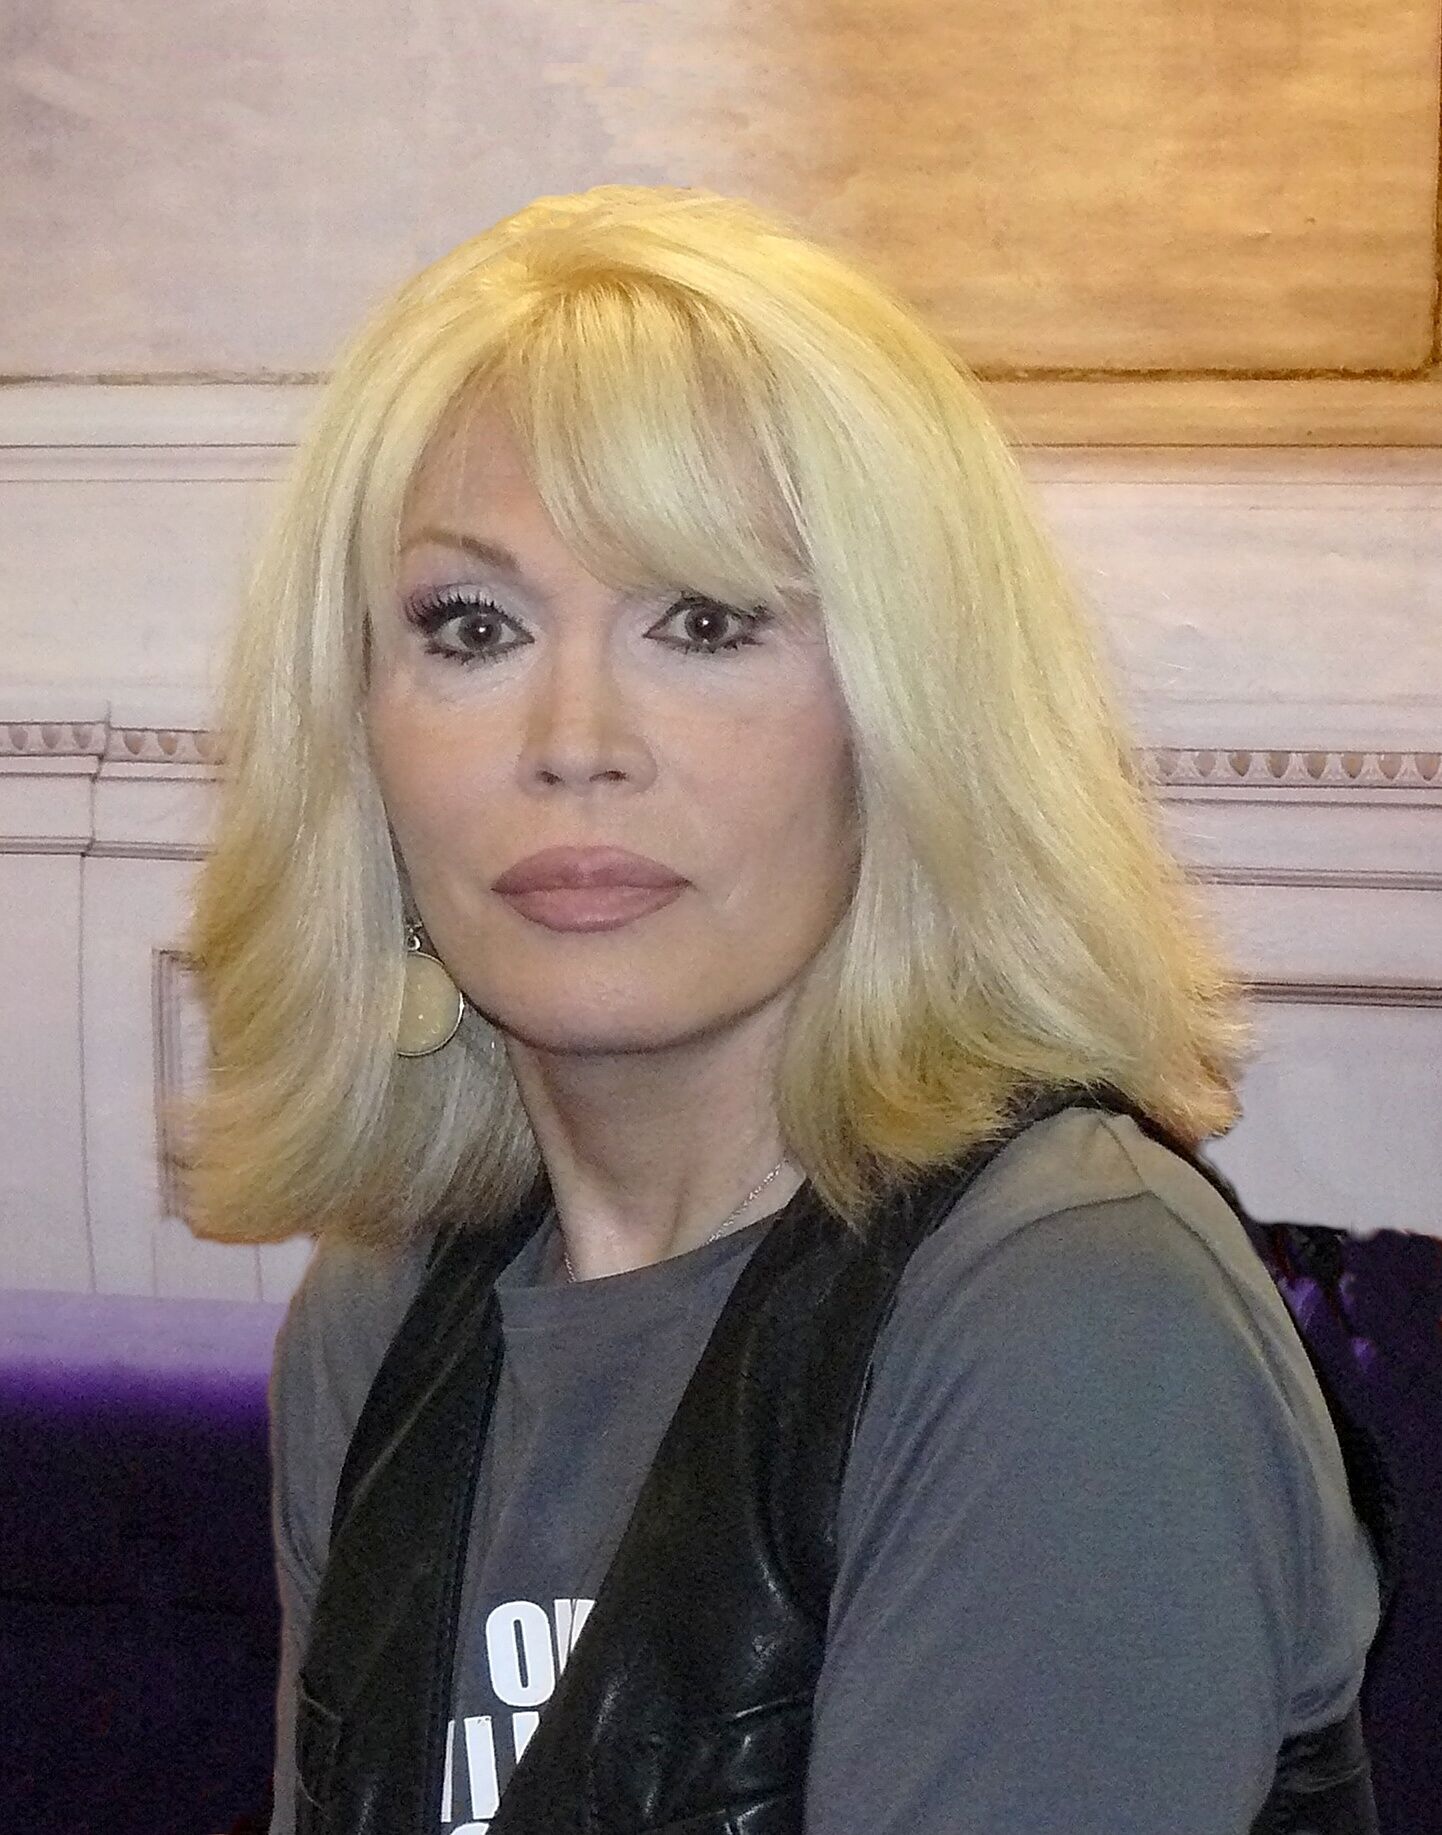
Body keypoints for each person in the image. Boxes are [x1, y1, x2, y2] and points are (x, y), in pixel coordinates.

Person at [183, 185, 1392, 1834]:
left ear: (908, 717)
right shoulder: (380, 1307)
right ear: (360, 733)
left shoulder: (1069, 1311)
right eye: (472, 627)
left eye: (704, 620)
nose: (575, 740)